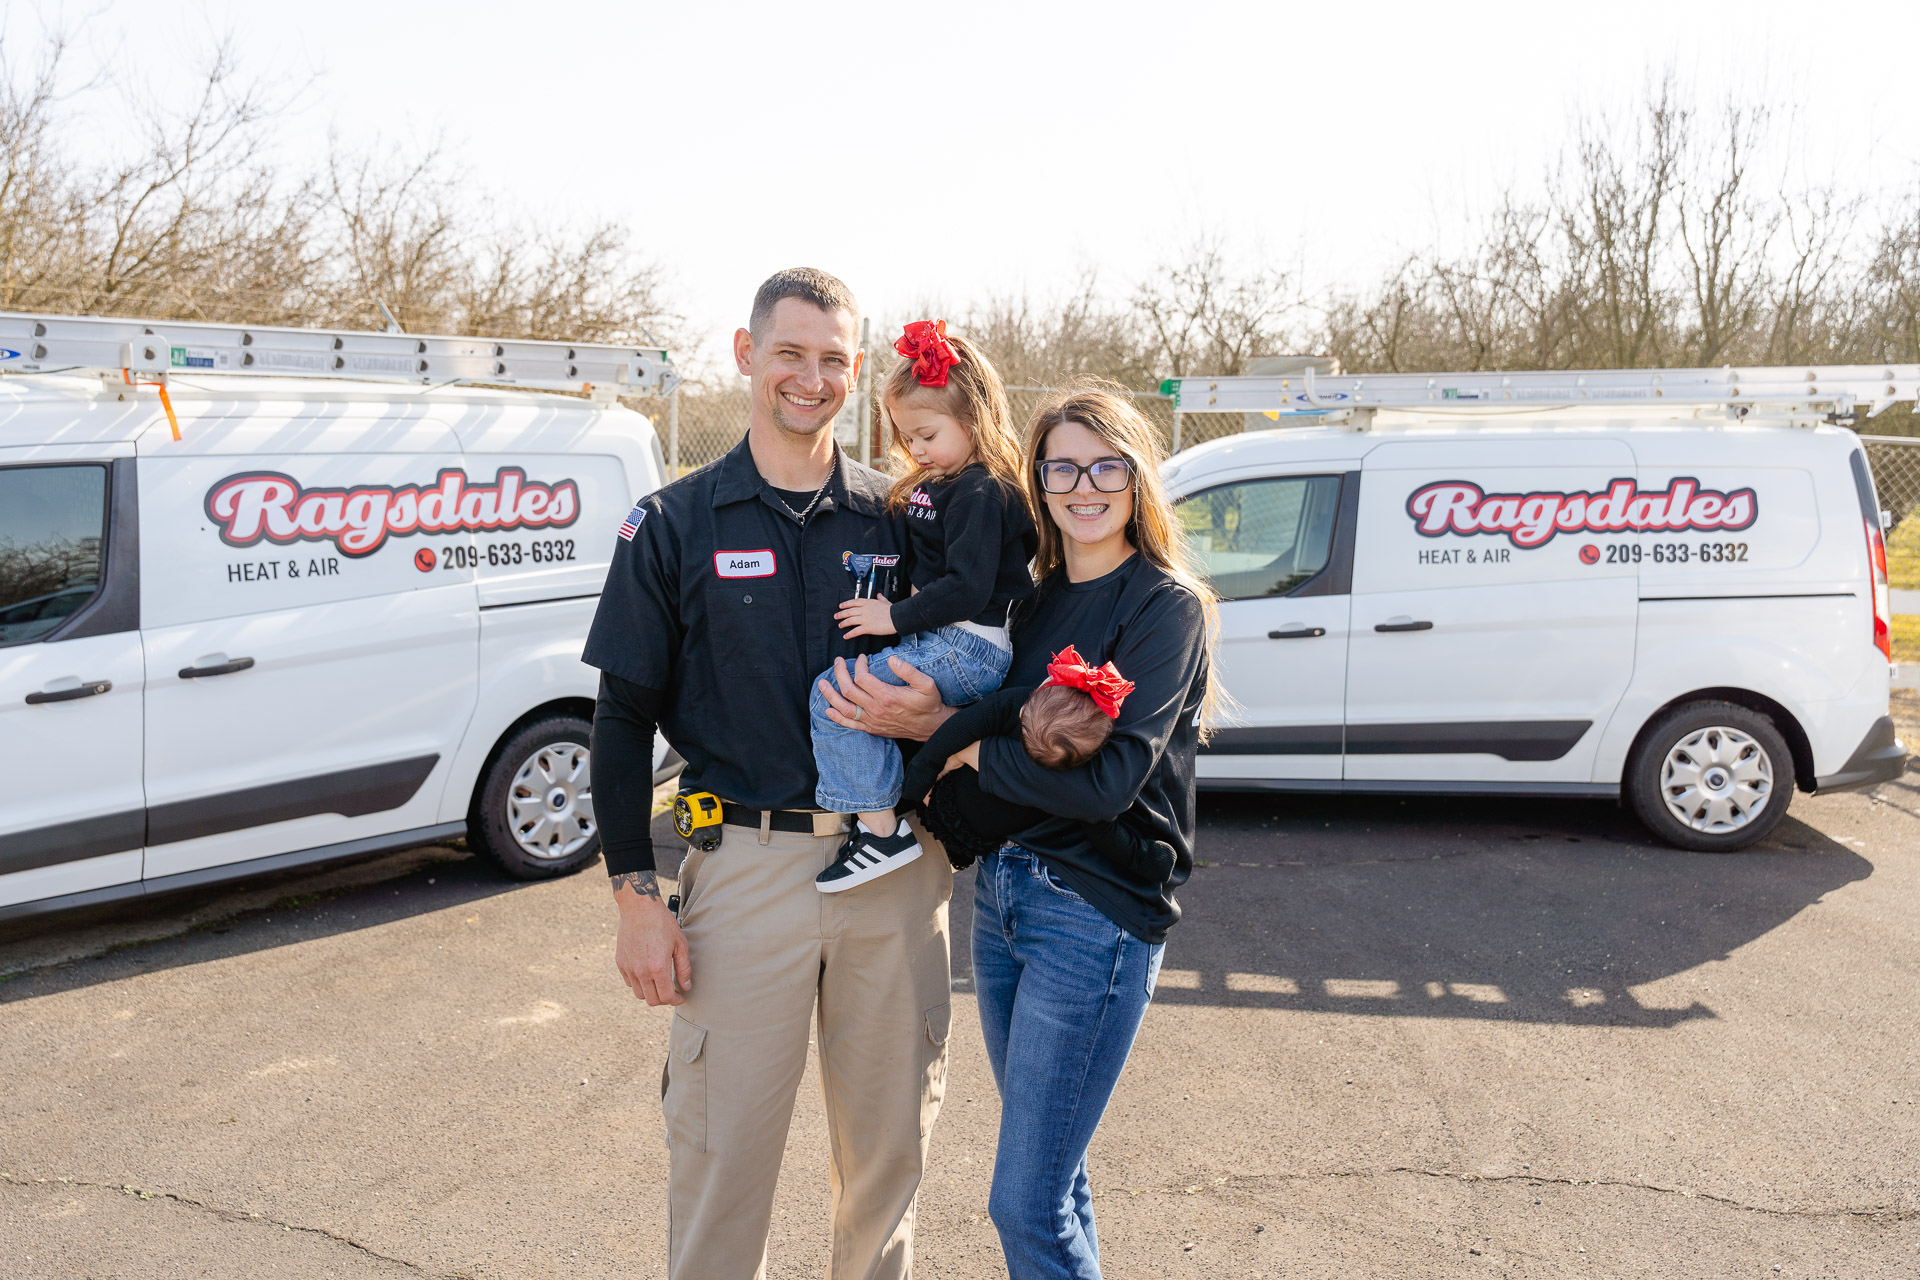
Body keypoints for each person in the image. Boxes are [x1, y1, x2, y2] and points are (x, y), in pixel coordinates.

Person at [583, 268, 954, 1280]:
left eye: (835, 358)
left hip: (894, 866)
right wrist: (633, 896)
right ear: (746, 355)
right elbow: (620, 721)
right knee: (720, 1159)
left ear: (857, 371)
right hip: (746, 867)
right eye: (790, 352)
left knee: (886, 1161)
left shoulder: (907, 519)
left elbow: (977, 667)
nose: (811, 376)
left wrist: (937, 716)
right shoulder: (671, 524)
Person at [816, 383, 1219, 1280]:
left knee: (1023, 1201)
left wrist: (944, 746)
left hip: (1095, 914)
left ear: (1136, 478)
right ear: (1036, 480)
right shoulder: (1031, 606)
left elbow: (1109, 783)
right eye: (1062, 466)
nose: (1083, 485)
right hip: (1002, 901)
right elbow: (993, 718)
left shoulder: (1163, 608)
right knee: (1056, 1182)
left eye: (1104, 465)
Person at [808, 319, 1036, 892]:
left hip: (967, 646)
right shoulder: (940, 484)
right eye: (906, 436)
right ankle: (890, 813)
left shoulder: (983, 489)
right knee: (865, 705)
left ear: (974, 421)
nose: (915, 449)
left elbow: (968, 588)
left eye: (927, 435)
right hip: (944, 642)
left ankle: (881, 831)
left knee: (830, 695)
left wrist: (893, 616)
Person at [898, 646, 1178, 886]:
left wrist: (918, 784)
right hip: (964, 816)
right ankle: (1142, 857)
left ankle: (1142, 857)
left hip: (962, 817)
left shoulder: (1013, 704)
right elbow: (1101, 826)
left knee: (1094, 818)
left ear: (1042, 688)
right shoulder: (1072, 771)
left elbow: (949, 737)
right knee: (1097, 824)